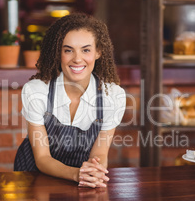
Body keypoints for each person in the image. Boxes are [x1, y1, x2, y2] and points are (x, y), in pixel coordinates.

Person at [14, 13, 126, 188]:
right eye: (68, 50)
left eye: (86, 50)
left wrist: (94, 173)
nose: (77, 58)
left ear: (98, 52)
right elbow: (43, 158)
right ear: (58, 53)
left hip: (80, 181)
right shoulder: (37, 91)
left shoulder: (112, 96)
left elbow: (100, 154)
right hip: (34, 179)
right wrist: (77, 174)